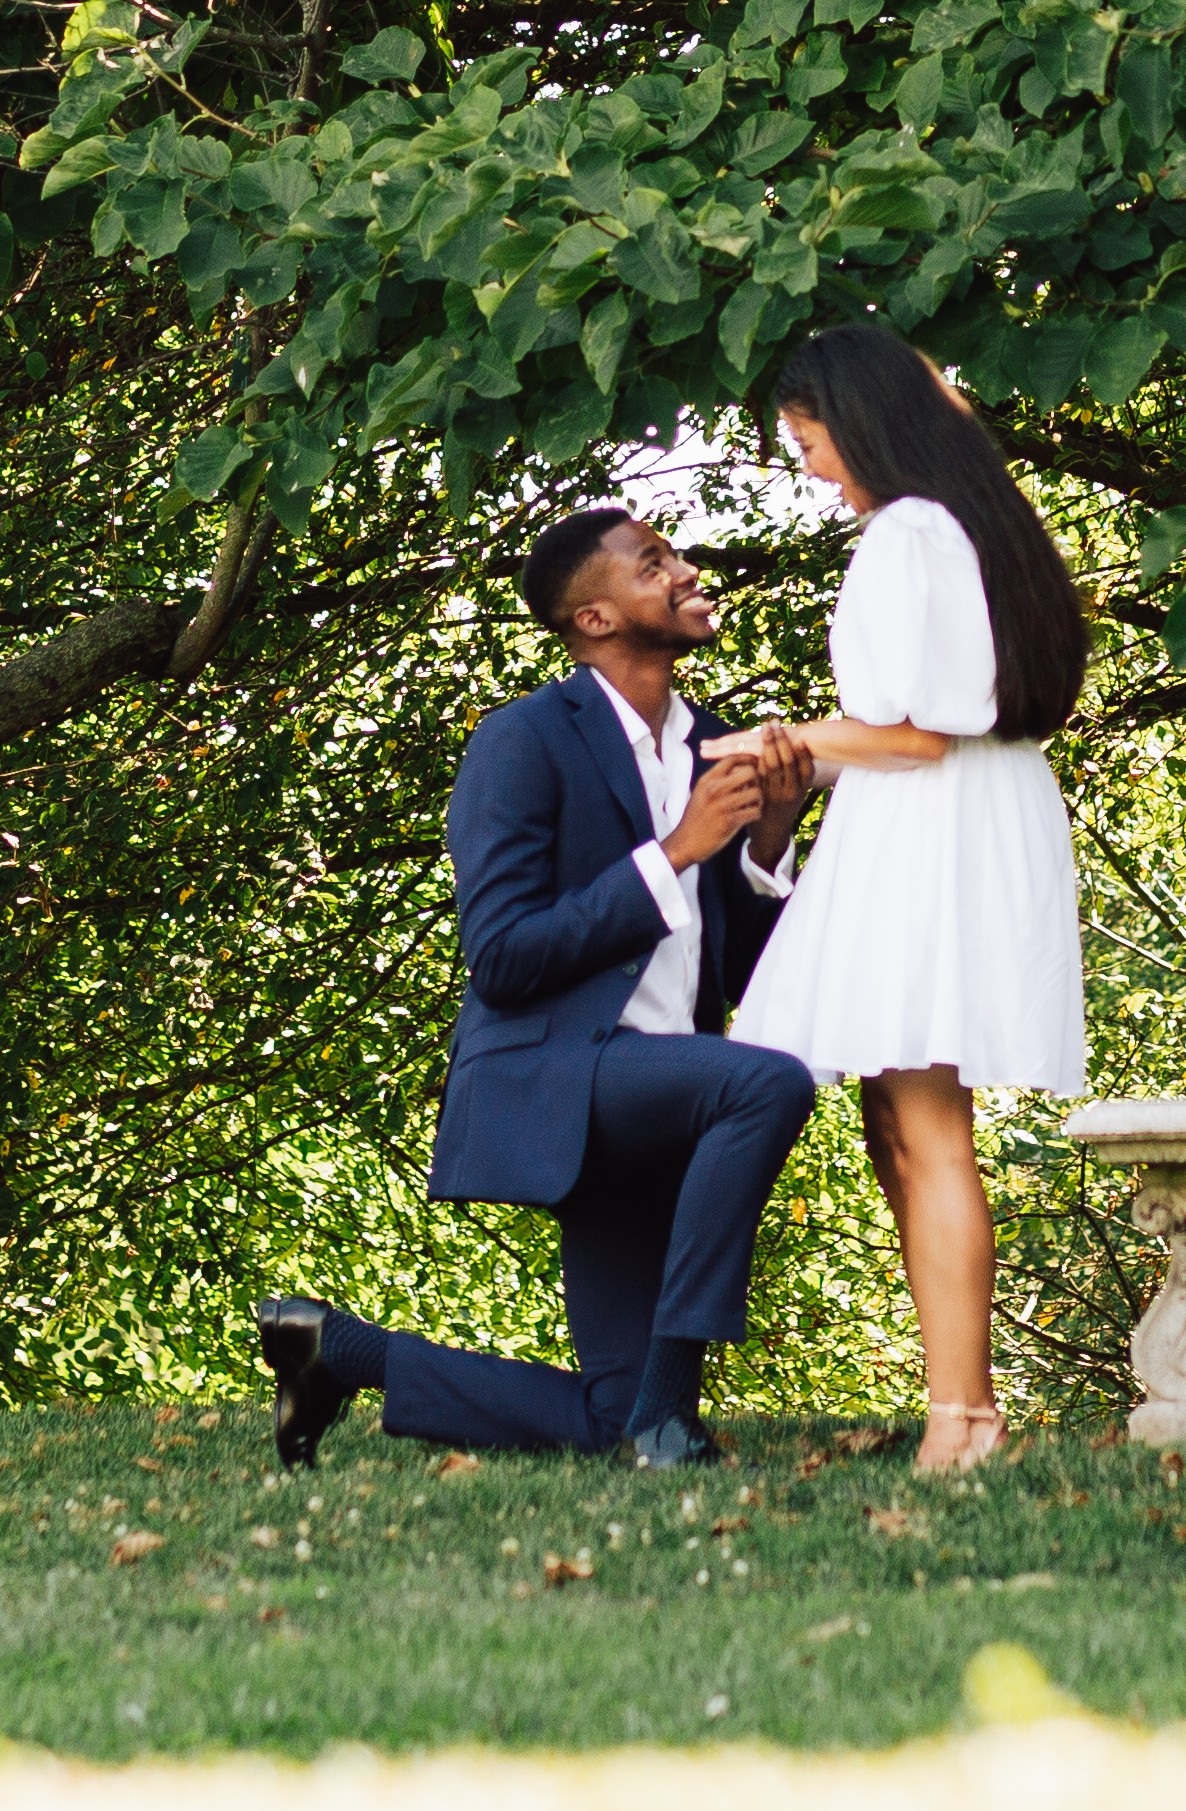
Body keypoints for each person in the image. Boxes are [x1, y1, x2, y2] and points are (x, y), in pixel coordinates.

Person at [256, 505, 818, 1471]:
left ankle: (338, 1350)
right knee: (767, 1082)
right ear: (594, 619)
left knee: (607, 1411)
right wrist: (678, 848)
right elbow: (505, 956)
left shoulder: (718, 749)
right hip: (562, 1079)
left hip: (665, 1090)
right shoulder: (522, 741)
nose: (684, 570)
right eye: (653, 563)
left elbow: (737, 981)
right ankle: (669, 1416)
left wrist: (768, 844)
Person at [705, 325, 1093, 1476]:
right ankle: (957, 1400)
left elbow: (920, 729)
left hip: (936, 831)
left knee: (926, 1130)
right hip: (944, 819)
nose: (812, 469)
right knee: (900, 1122)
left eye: (812, 442)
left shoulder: (912, 533)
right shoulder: (961, 524)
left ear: (863, 426)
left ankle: (961, 1417)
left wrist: (762, 744)